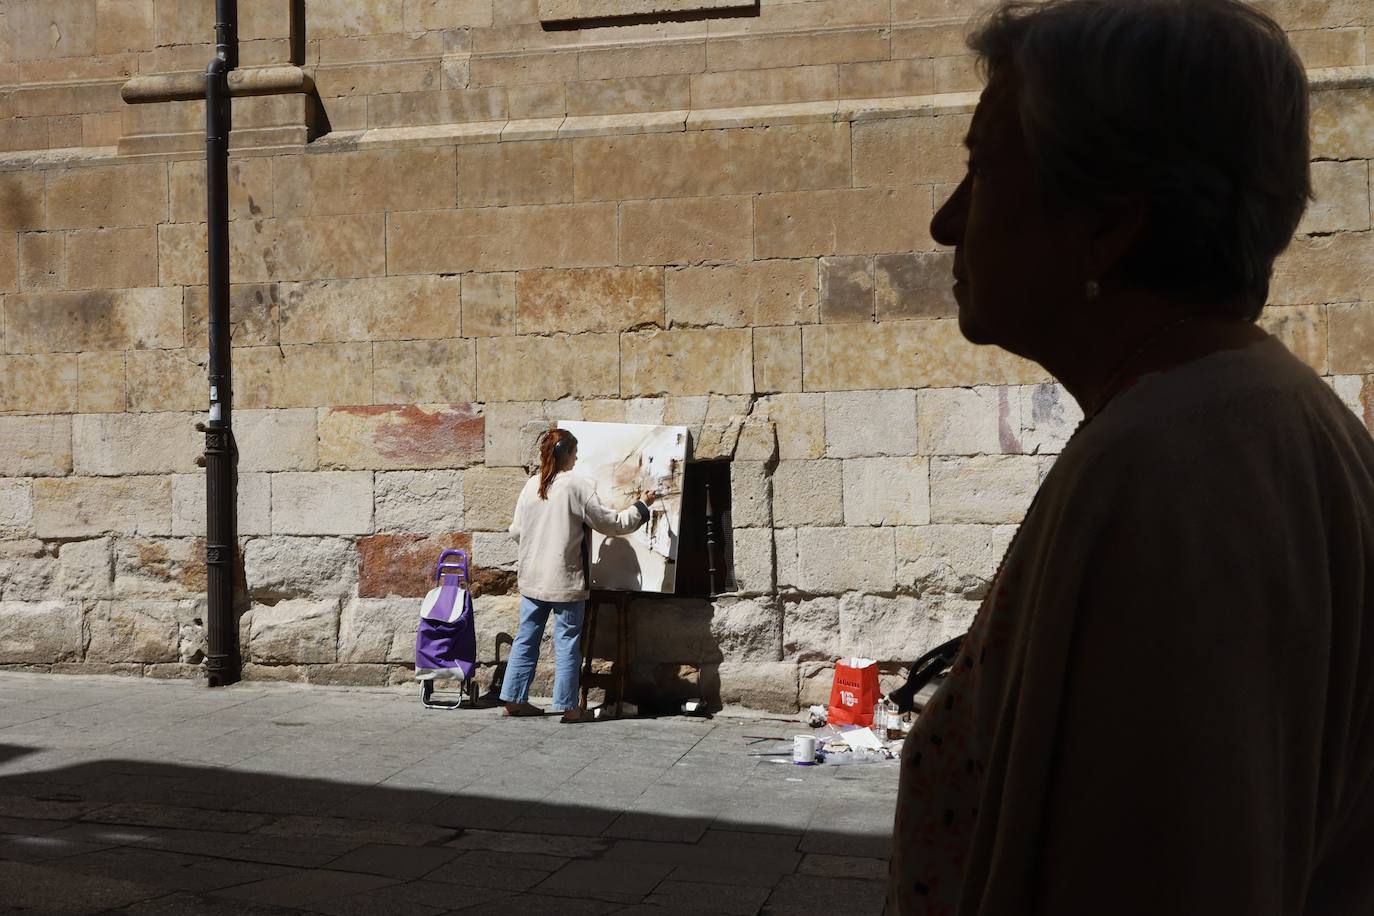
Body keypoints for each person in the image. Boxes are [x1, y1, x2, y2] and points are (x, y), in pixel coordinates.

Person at [890, 1, 1374, 914]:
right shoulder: (1249, 419)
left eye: (982, 170)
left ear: (1107, 223)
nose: (946, 222)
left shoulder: (1167, 476)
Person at [502, 427, 656, 723]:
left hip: (533, 578)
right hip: (566, 581)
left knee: (526, 638)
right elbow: (610, 524)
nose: (577, 456)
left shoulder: (532, 485)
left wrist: (541, 545)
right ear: (565, 454)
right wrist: (641, 506)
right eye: (574, 451)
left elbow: (517, 531)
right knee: (568, 641)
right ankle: (569, 708)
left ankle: (513, 699)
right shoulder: (576, 485)